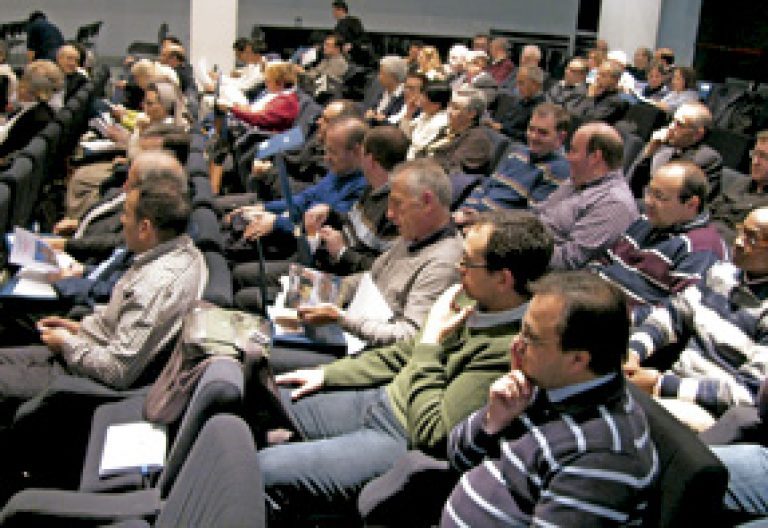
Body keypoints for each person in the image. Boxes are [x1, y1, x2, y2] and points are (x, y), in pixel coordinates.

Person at [260, 210, 553, 524]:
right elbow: (403, 354)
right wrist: (329, 374)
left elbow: (432, 432)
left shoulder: (509, 352)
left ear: (503, 278)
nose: (459, 268)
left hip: (399, 436)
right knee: (261, 400)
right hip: (379, 398)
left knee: (260, 469)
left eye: (468, 262)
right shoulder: (471, 297)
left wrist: (430, 343)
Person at [441, 271, 658, 527]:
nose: (516, 345)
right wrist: (493, 420)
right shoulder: (543, 385)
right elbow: (457, 458)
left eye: (530, 338)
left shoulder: (603, 458)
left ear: (577, 360)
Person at [0, 157, 206, 407]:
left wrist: (66, 342)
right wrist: (80, 329)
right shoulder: (184, 251)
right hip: (90, 349)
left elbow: (117, 371)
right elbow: (123, 328)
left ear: (145, 228)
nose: (121, 221)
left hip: (87, 382)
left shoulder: (156, 284)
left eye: (126, 214)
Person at [295, 159, 463, 348]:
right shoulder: (414, 235)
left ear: (427, 202)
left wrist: (341, 319)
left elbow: (409, 337)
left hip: (373, 352)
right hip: (358, 331)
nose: (389, 214)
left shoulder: (443, 263)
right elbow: (372, 278)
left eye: (398, 204)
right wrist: (323, 286)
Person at [625, 207, 768, 429]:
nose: (738, 242)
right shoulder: (723, 272)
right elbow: (673, 315)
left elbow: (748, 391)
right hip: (670, 379)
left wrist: (661, 384)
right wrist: (634, 351)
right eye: (741, 231)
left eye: (752, 238)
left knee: (627, 417)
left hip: (710, 409)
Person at [591, 161, 726, 305]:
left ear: (691, 204)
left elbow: (675, 313)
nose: (648, 201)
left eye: (659, 196)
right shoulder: (647, 220)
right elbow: (604, 261)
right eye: (649, 191)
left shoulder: (701, 249)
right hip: (595, 302)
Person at [535, 122, 638, 269]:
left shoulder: (614, 203)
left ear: (595, 157)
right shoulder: (577, 179)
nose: (567, 157)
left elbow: (569, 261)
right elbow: (540, 213)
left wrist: (519, 248)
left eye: (573, 151)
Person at [455, 102, 570, 221]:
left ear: (560, 137)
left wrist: (480, 219)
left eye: (543, 133)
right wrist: (464, 210)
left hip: (496, 229)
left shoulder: (559, 170)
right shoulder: (517, 152)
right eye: (531, 129)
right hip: (472, 219)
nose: (533, 137)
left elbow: (528, 218)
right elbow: (485, 186)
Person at [627, 101, 723, 199]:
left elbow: (685, 202)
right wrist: (649, 151)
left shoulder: (707, 159)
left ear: (698, 134)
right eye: (672, 120)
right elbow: (631, 184)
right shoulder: (661, 146)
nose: (671, 127)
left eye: (679, 124)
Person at [711, 130, 768, 243]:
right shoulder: (740, 182)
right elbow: (711, 210)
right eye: (755, 154)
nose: (755, 162)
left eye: (764, 157)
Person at [0, 60, 60, 163]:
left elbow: (9, 149)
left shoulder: (37, 118)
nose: (19, 85)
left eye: (23, 81)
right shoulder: (38, 109)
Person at [425, 88, 492, 175]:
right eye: (449, 105)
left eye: (455, 108)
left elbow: (451, 168)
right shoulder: (448, 129)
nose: (449, 111)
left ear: (471, 114)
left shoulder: (478, 140)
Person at [490, 65, 546, 143]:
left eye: (521, 83)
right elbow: (506, 121)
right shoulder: (521, 100)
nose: (518, 87)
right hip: (501, 138)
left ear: (535, 85)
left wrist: (503, 129)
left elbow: (529, 137)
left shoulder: (542, 109)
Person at [400, 79, 450, 159]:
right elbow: (403, 134)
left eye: (424, 97)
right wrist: (409, 113)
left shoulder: (440, 122)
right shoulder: (426, 114)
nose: (419, 99)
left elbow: (417, 146)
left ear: (436, 105)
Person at [573, 58, 629, 124]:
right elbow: (573, 112)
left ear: (615, 79)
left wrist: (590, 97)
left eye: (603, 75)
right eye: (598, 74)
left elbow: (590, 120)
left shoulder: (616, 101)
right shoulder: (593, 91)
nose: (598, 77)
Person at [365, 55, 408, 125]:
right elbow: (368, 107)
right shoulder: (379, 88)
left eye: (382, 73)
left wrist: (379, 119)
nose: (378, 76)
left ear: (393, 76)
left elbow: (396, 122)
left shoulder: (405, 96)